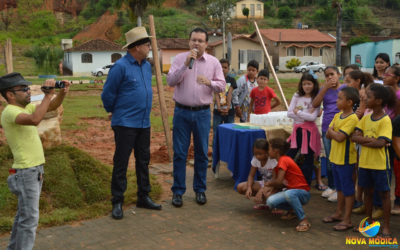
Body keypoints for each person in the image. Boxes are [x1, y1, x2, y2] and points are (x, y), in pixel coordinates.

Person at [1, 72, 70, 250]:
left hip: (33, 170)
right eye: (23, 89)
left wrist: (60, 93)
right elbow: (35, 120)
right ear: (10, 94)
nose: (28, 91)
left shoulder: (26, 108)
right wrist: (47, 94)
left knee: (23, 217)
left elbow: (51, 107)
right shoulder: (10, 112)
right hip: (26, 171)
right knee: (29, 220)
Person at [101, 26, 162, 220]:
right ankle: (117, 201)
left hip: (144, 123)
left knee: (143, 161)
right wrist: (114, 111)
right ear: (135, 47)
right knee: (121, 162)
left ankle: (143, 196)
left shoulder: (145, 65)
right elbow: (107, 94)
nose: (149, 47)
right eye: (146, 44)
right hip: (125, 123)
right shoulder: (120, 67)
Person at [167, 27, 225, 207]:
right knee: (180, 153)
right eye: (194, 40)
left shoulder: (213, 62)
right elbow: (170, 81)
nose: (196, 43)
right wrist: (185, 64)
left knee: (201, 153)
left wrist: (210, 82)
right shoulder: (179, 59)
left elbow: (222, 85)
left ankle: (200, 190)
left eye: (200, 41)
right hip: (181, 112)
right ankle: (178, 192)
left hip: (202, 113)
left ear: (206, 44)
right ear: (189, 41)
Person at [351, 83, 394, 237]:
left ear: (379, 100)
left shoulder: (385, 120)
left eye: (369, 97)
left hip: (380, 165)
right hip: (364, 163)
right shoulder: (366, 118)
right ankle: (368, 223)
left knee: (384, 195)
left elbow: (381, 143)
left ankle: (386, 226)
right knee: (367, 194)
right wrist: (369, 140)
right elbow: (354, 136)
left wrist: (362, 139)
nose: (366, 99)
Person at [322, 87, 359, 231]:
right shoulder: (338, 115)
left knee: (348, 190)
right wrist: (333, 133)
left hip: (346, 160)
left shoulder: (353, 118)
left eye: (340, 98)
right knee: (340, 189)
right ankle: (338, 213)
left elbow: (338, 137)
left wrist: (333, 132)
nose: (337, 101)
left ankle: (347, 219)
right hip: (335, 158)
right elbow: (328, 134)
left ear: (349, 102)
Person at [312, 66, 346, 202]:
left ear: (339, 75)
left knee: (340, 159)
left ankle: (340, 189)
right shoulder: (324, 89)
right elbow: (315, 104)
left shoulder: (344, 89)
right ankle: (332, 186)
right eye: (327, 75)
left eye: (332, 74)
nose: (330, 77)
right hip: (327, 128)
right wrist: (325, 88)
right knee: (330, 159)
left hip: (341, 128)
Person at [265, 138, 312, 232]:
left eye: (269, 149)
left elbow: (278, 182)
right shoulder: (279, 164)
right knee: (270, 201)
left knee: (289, 194)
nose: (268, 152)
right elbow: (280, 184)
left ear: (276, 151)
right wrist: (270, 191)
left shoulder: (284, 160)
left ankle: (304, 220)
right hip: (293, 192)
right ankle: (292, 211)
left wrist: (269, 184)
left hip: (302, 192)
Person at [287, 73, 321, 187]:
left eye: (309, 84)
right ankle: (287, 178)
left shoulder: (316, 98)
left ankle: (306, 183)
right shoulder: (297, 95)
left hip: (310, 132)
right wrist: (304, 115)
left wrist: (299, 112)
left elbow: (313, 117)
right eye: (304, 84)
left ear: (314, 84)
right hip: (298, 131)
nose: (306, 86)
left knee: (309, 158)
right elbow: (289, 113)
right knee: (290, 153)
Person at [237, 139, 278, 209]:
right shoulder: (255, 159)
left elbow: (275, 180)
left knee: (268, 195)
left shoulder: (272, 161)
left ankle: (275, 204)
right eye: (255, 154)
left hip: (275, 185)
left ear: (267, 152)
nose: (257, 156)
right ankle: (265, 202)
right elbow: (251, 175)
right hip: (264, 183)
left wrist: (263, 189)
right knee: (240, 187)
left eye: (260, 154)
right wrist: (249, 188)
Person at [213, 59, 237, 143]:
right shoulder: (215, 80)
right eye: (221, 67)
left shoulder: (232, 80)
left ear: (228, 69)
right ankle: (216, 153)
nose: (223, 69)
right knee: (216, 133)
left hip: (229, 110)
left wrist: (227, 107)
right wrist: (219, 106)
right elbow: (216, 93)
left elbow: (230, 94)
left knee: (230, 132)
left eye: (225, 67)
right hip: (217, 110)